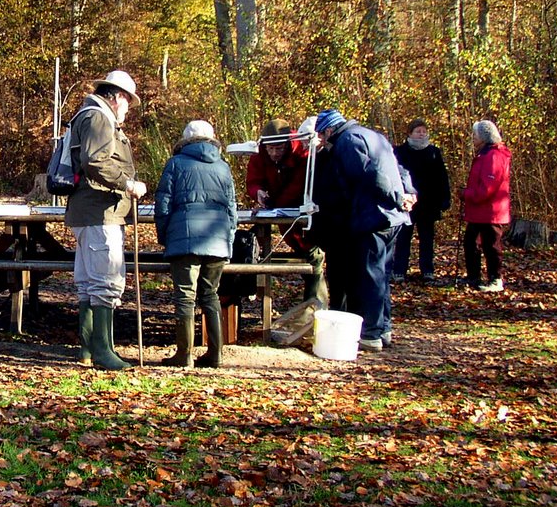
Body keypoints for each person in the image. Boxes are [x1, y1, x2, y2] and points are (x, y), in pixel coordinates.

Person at [64, 70, 147, 371]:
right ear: (118, 97)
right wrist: (127, 183)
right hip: (100, 212)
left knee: (88, 283)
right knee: (105, 282)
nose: (128, 109)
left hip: (87, 211)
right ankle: (102, 351)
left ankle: (88, 349)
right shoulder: (99, 118)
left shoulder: (85, 115)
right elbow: (95, 161)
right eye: (128, 102)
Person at [311, 109, 411, 352]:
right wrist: (409, 193)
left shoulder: (347, 141)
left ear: (329, 130)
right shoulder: (373, 135)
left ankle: (372, 333)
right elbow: (400, 169)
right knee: (383, 275)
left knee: (371, 275)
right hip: (393, 218)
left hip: (374, 217)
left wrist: (398, 197)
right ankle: (385, 328)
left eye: (322, 136)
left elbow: (371, 175)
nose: (322, 142)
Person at [154, 120, 238, 369]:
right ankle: (216, 354)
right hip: (217, 239)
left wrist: (165, 236)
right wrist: (228, 239)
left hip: (184, 238)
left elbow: (163, 205)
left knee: (185, 297)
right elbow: (232, 208)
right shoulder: (223, 167)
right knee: (210, 295)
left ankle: (184, 354)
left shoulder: (176, 163)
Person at [246, 118, 327, 307]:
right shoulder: (258, 155)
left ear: (287, 144)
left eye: (279, 148)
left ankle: (315, 307)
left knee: (313, 254)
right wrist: (258, 192)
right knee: (250, 246)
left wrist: (273, 203)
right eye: (271, 149)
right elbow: (253, 181)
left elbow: (297, 187)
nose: (275, 153)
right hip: (278, 214)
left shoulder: (302, 154)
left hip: (300, 214)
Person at [392, 119, 451, 283]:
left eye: (424, 131)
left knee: (427, 239)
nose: (422, 134)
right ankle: (399, 270)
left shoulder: (434, 152)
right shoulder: (400, 151)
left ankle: (427, 271)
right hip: (407, 202)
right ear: (409, 133)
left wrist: (445, 198)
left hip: (429, 202)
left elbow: (442, 177)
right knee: (404, 237)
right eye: (418, 131)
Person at [462, 120, 511, 292]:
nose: (473, 139)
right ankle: (473, 277)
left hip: (491, 211)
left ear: (484, 137)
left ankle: (495, 278)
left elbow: (488, 188)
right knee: (470, 243)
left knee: (491, 246)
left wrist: (467, 194)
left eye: (475, 135)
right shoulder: (485, 154)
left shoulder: (494, 156)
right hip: (480, 210)